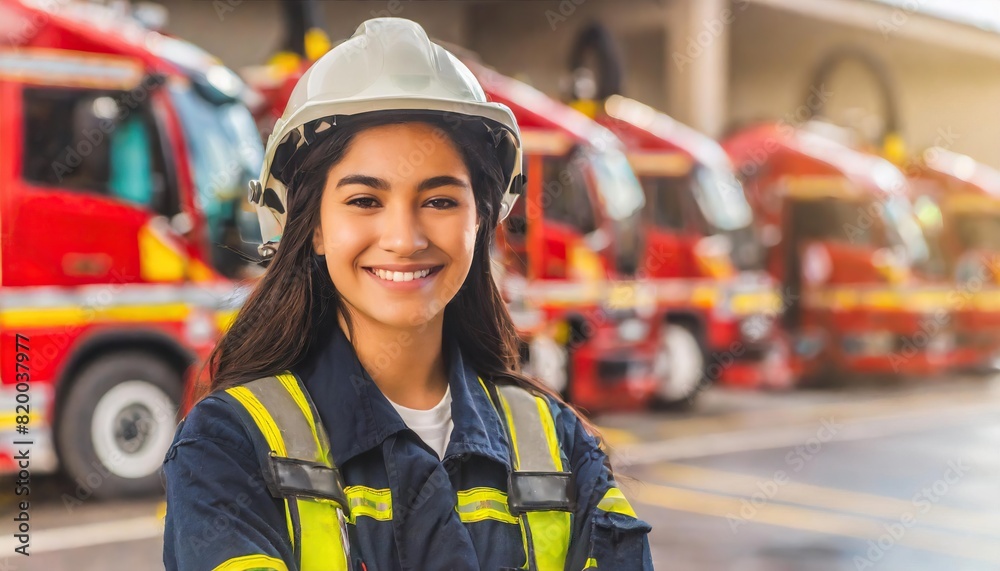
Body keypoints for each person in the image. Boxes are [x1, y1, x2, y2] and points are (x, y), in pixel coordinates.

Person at [162, 18, 654, 571]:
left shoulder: (563, 448)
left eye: (440, 200)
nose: (404, 239)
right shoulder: (230, 447)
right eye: (365, 201)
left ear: (481, 222)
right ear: (314, 227)